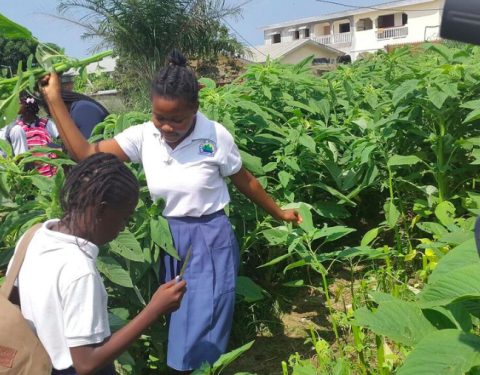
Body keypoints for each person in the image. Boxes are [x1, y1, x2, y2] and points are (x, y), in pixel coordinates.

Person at [41, 50, 303, 373]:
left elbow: (245, 180)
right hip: (168, 241)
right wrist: (55, 100)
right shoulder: (143, 136)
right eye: (159, 117)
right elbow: (87, 154)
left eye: (177, 119)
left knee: (205, 324)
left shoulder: (215, 136)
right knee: (180, 322)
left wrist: (279, 213)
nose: (166, 127)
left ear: (195, 108)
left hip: (209, 239)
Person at [8, 153, 187, 375]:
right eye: (124, 218)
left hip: (34, 362)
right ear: (102, 210)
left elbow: (13, 301)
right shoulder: (79, 269)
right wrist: (154, 310)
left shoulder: (33, 236)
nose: (123, 228)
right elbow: (86, 363)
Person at [18, 91, 60, 177]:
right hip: (29, 173)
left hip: (49, 172)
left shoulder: (45, 124)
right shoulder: (17, 127)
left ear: (27, 107)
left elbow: (62, 137)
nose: (18, 105)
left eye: (20, 102)